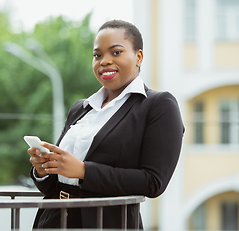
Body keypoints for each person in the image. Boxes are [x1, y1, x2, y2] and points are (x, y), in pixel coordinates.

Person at [27, 19, 184, 229]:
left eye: (116, 52)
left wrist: (84, 171)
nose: (104, 61)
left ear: (139, 57)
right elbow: (55, 185)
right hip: (53, 220)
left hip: (104, 223)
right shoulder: (81, 108)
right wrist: (44, 170)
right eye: (97, 55)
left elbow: (153, 182)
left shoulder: (158, 105)